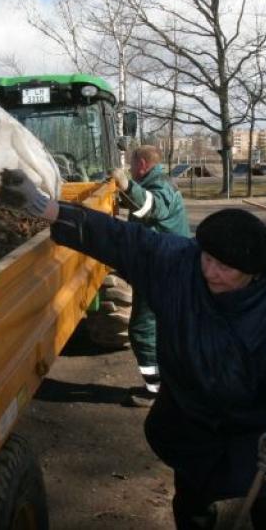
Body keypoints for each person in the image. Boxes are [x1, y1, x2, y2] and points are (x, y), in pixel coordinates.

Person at [0, 169, 266, 530]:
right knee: (191, 505)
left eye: (226, 268)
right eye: (208, 259)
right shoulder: (180, 265)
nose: (211, 272)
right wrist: (50, 210)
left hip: (259, 435)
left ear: (255, 273)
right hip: (193, 425)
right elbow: (122, 239)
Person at [110, 146, 191, 408]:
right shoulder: (155, 181)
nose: (132, 171)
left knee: (143, 329)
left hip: (163, 268)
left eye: (133, 167)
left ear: (142, 164)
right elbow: (139, 201)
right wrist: (122, 190)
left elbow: (151, 207)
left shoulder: (160, 186)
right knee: (161, 328)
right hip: (166, 265)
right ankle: (164, 385)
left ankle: (155, 390)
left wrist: (126, 185)